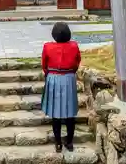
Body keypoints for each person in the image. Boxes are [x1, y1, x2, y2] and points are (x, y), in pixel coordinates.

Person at [41, 22, 81, 153]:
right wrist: (70, 72)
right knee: (70, 113)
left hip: (53, 77)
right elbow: (77, 62)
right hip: (69, 77)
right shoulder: (74, 46)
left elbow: (44, 64)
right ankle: (69, 142)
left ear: (54, 34)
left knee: (55, 113)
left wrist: (49, 74)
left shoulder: (47, 47)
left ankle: (58, 143)